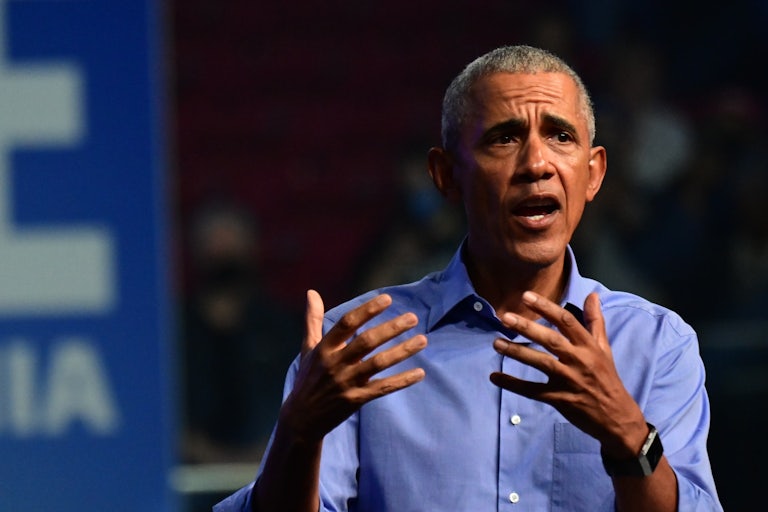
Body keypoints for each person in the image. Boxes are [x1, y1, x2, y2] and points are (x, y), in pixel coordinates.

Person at [215, 45, 721, 511]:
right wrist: (298, 434)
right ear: (445, 175)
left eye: (560, 136)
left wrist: (630, 435)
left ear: (592, 174)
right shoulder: (358, 348)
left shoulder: (657, 344)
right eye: (504, 138)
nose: (537, 164)